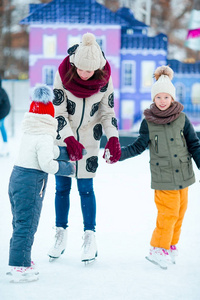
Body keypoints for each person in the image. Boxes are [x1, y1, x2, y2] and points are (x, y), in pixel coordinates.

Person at [48, 32, 121, 263]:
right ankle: (61, 233)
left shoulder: (105, 80)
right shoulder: (62, 75)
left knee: (86, 188)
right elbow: (58, 112)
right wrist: (69, 139)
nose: (84, 73)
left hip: (90, 140)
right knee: (61, 187)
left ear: (98, 69)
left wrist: (113, 138)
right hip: (63, 139)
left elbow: (107, 112)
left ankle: (90, 236)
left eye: (89, 71)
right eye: (80, 69)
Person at [119, 66, 200, 270]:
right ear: (153, 99)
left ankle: (170, 246)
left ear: (172, 98)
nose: (162, 101)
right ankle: (158, 248)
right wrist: (119, 154)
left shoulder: (182, 119)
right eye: (158, 97)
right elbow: (139, 145)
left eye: (166, 97)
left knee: (180, 212)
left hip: (183, 173)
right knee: (168, 213)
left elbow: (194, 144)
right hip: (163, 176)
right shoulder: (149, 121)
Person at [7, 84, 75, 283]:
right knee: (27, 225)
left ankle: (20, 258)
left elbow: (47, 151)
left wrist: (63, 153)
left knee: (19, 223)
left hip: (16, 179)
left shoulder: (30, 132)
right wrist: (67, 169)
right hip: (31, 183)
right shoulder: (45, 135)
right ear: (50, 118)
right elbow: (46, 163)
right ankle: (19, 266)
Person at [0, 77, 11, 156]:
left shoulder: (1, 91)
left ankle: (5, 146)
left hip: (2, 112)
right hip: (3, 110)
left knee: (1, 126)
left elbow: (5, 105)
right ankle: (5, 145)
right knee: (1, 126)